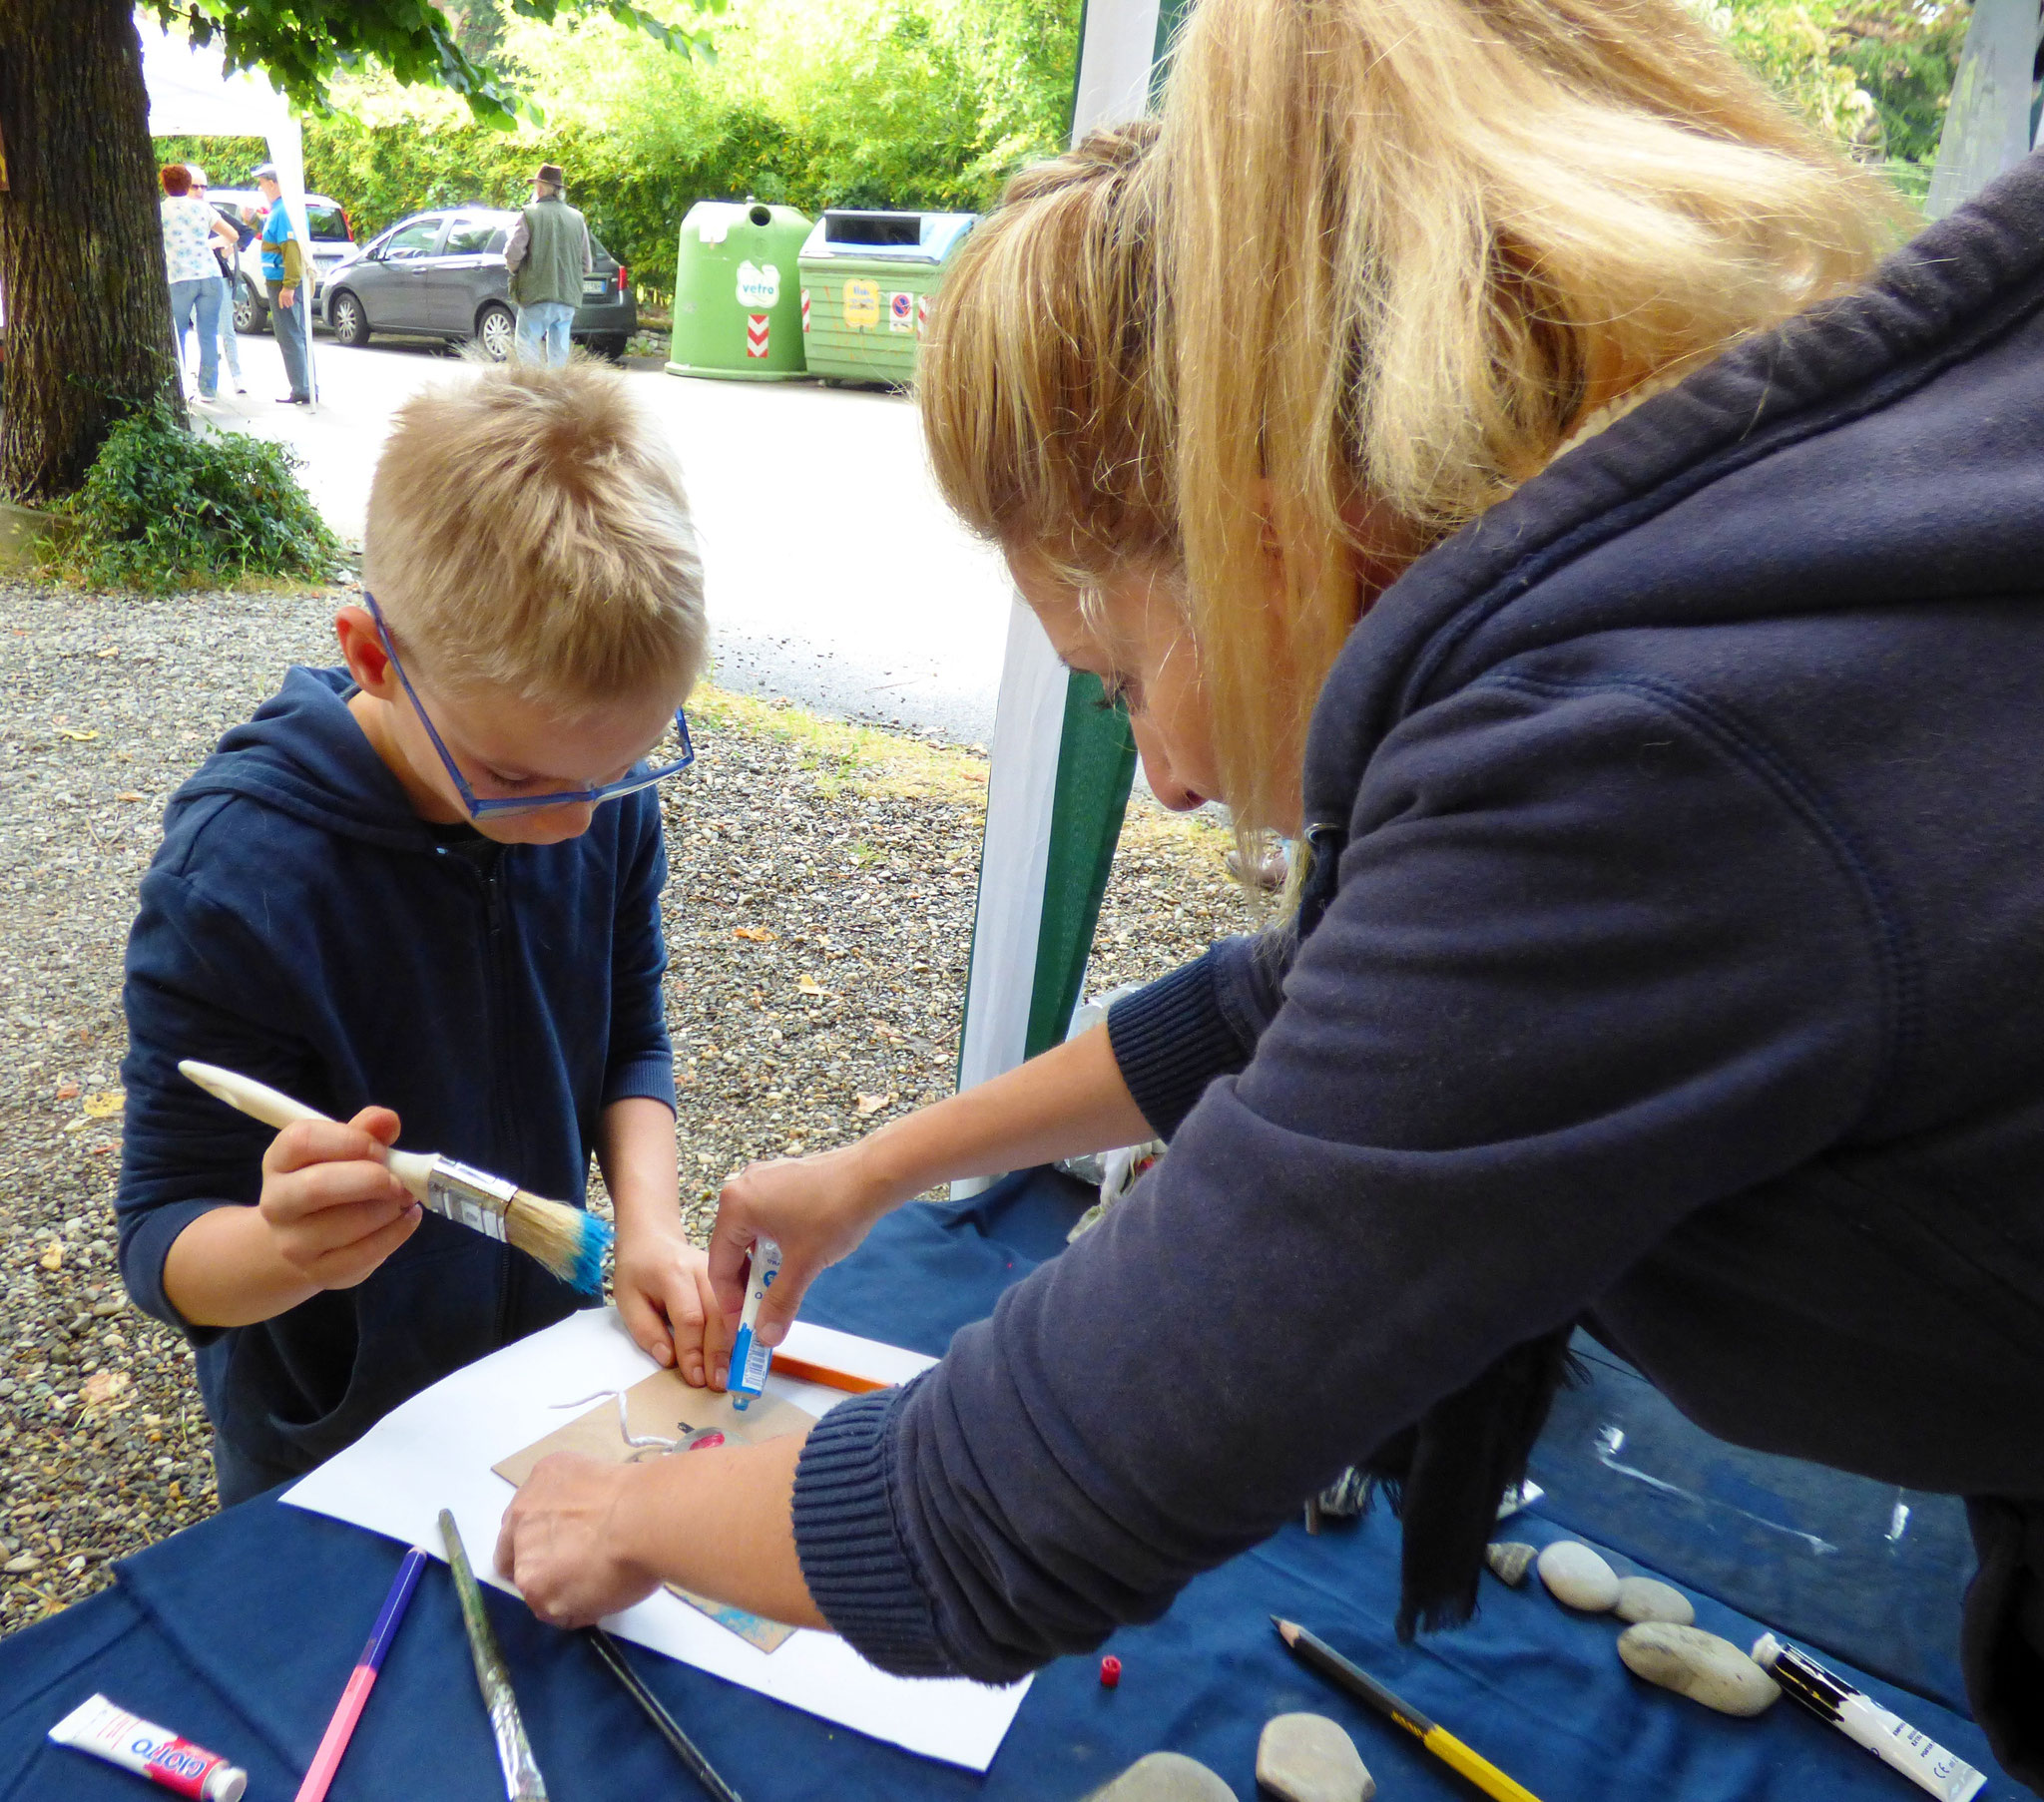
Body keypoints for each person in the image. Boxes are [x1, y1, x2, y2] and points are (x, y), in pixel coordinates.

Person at [494, 0, 2044, 1789]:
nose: (1154, 773)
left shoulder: (1639, 753)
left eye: (1114, 675)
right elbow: (1294, 991)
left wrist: (633, 1511)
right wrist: (878, 1167)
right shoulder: (1742, 565)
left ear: (1264, 534)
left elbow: (1016, 1500)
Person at [117, 359, 726, 1506]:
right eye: (516, 777)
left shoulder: (589, 794)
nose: (573, 822)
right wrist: (286, 1250)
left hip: (543, 1384)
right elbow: (162, 1241)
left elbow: (627, 1042)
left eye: (623, 767)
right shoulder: (238, 881)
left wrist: (645, 1230)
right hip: (339, 1445)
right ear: (371, 656)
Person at [158, 164, 239, 404]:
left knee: (177, 334)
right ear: (187, 184)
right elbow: (233, 235)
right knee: (208, 334)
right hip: (210, 275)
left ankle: (178, 386)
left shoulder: (159, 210)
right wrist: (209, 245)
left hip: (179, 277)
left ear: (164, 184)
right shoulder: (203, 208)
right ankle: (208, 390)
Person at [504, 162, 591, 367]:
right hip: (567, 299)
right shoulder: (577, 218)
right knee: (559, 355)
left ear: (541, 188)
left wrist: (517, 270)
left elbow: (512, 254)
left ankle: (535, 394)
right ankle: (556, 395)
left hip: (536, 296)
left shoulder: (529, 214)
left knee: (527, 348)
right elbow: (586, 265)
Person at [252, 162, 311, 405]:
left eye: (263, 182)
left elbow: (291, 250)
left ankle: (302, 389)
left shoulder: (283, 210)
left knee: (290, 336)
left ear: (273, 183)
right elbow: (274, 240)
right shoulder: (280, 210)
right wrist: (254, 221)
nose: (260, 187)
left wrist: (289, 286)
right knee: (296, 334)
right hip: (282, 282)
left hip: (282, 284)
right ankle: (305, 386)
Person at [186, 166, 249, 397]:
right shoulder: (179, 212)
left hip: (216, 276)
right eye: (195, 186)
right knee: (203, 332)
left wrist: (224, 246)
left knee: (226, 329)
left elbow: (242, 233)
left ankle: (237, 375)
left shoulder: (210, 210)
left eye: (204, 186)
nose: (200, 190)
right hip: (189, 278)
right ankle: (208, 378)